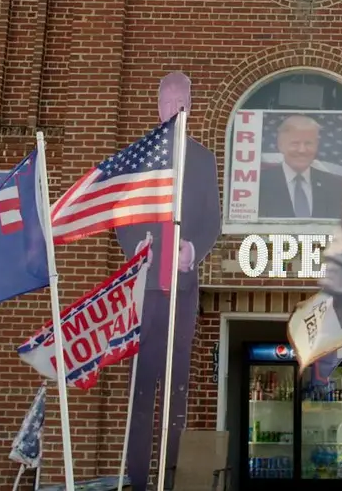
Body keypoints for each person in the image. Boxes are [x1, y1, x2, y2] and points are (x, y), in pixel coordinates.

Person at [116, 72, 222, 491]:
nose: (174, 109)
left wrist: (193, 249)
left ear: (188, 107)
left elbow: (212, 220)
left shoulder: (203, 159)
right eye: (167, 101)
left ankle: (171, 476)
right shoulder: (138, 158)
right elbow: (121, 216)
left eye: (181, 102)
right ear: (158, 107)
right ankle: (138, 477)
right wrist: (135, 247)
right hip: (146, 290)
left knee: (178, 384)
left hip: (182, 288)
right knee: (142, 386)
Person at [257, 115, 342, 219]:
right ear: (280, 146)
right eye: (295, 143)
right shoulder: (260, 184)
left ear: (316, 145)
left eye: (308, 143)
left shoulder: (333, 186)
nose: (302, 150)